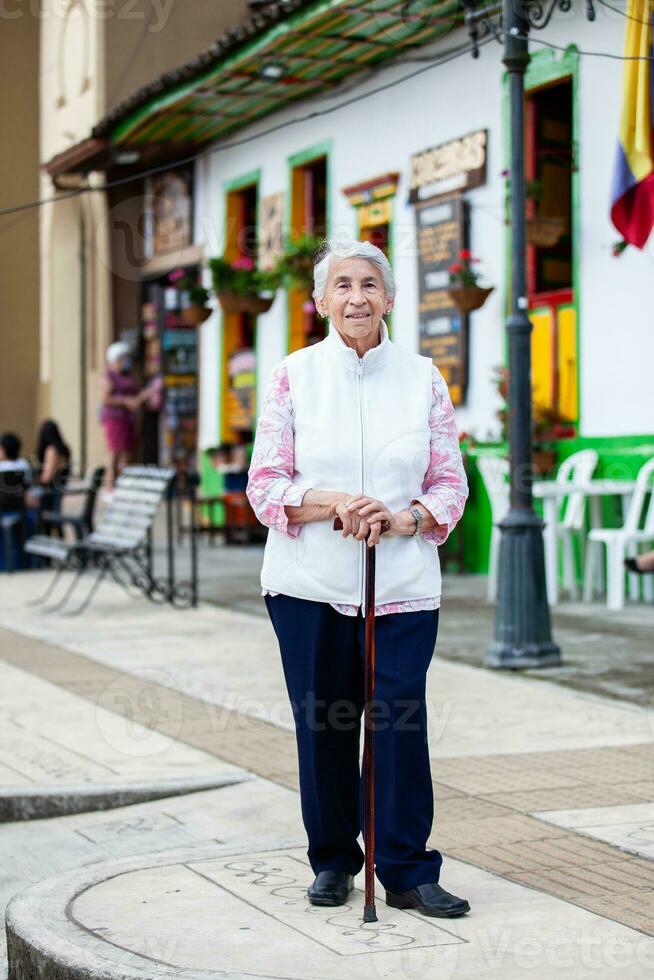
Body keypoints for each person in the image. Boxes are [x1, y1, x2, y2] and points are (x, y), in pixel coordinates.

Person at [246, 238, 470, 918]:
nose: (356, 297)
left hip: (400, 582)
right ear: (320, 303)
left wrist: (404, 519)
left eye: (369, 284)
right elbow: (266, 486)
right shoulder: (293, 376)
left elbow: (450, 484)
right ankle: (334, 859)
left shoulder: (424, 377)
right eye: (341, 285)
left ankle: (405, 868)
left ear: (390, 298)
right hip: (310, 584)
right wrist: (336, 504)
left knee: (399, 721)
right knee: (327, 721)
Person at [100, 341, 151, 489]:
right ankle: (110, 487)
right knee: (114, 453)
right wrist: (125, 401)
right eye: (123, 359)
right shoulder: (109, 376)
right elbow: (105, 398)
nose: (126, 362)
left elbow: (135, 396)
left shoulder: (128, 375)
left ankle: (123, 485)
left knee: (127, 454)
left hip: (128, 419)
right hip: (115, 419)